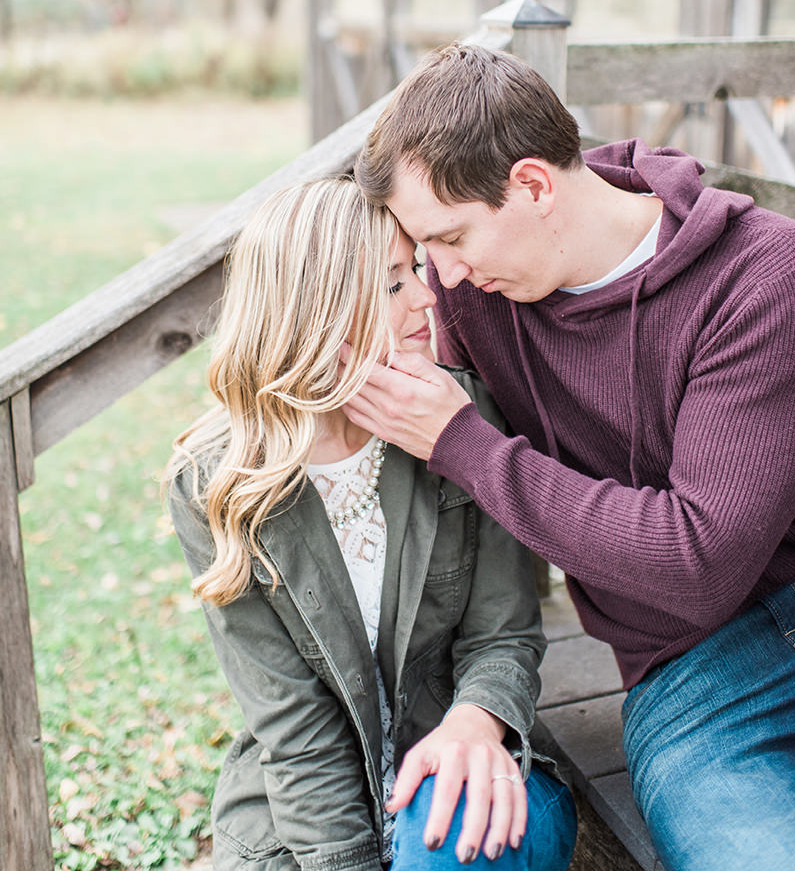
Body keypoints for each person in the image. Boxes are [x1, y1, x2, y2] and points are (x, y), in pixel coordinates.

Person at [348, 43, 795, 871]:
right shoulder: (474, 287)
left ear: (531, 184)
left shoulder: (763, 275)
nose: (439, 275)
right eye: (422, 253)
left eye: (449, 238)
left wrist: (466, 446)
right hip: (691, 671)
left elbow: (695, 561)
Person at [164, 175, 576, 871]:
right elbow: (292, 725)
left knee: (442, 841)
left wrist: (473, 729)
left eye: (413, 269)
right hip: (302, 804)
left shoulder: (461, 420)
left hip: (466, 760)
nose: (425, 296)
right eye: (392, 284)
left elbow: (502, 637)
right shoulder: (218, 484)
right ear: (315, 313)